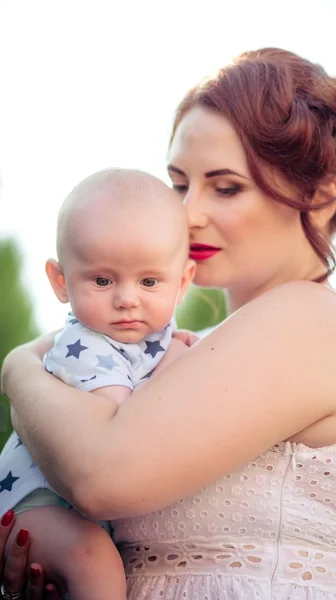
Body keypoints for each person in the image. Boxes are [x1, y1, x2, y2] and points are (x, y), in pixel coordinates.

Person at [1, 47, 336, 600]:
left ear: (319, 195)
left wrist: (18, 368)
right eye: (179, 183)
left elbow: (100, 475)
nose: (188, 213)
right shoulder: (190, 345)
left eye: (226, 186)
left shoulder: (308, 319)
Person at [0, 169, 195, 599]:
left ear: (181, 283)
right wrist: (177, 366)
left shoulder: (154, 335)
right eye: (103, 280)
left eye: (148, 281)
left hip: (75, 505)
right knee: (95, 561)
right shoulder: (83, 344)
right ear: (60, 281)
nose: (127, 298)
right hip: (34, 503)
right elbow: (121, 432)